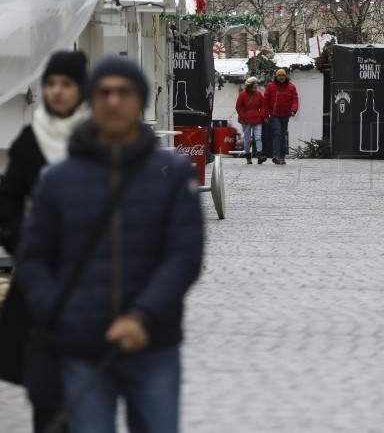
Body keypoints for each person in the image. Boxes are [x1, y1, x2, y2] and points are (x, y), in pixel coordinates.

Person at [15, 56, 205, 433]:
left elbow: (183, 255)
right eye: (104, 93)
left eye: (124, 92)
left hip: (153, 341)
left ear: (140, 100)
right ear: (91, 100)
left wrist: (141, 316)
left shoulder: (172, 174)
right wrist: (61, 314)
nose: (114, 101)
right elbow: (34, 259)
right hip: (80, 347)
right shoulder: (59, 179)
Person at [0, 50, 90, 433]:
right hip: (41, 276)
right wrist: (24, 244)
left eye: (65, 84)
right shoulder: (30, 140)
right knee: (44, 381)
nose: (56, 91)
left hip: (92, 276)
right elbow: (8, 199)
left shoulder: (100, 138)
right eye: (50, 83)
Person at [263, 69, 298, 165]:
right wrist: (265, 115)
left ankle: (282, 157)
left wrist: (293, 110)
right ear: (276, 76)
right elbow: (265, 101)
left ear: (285, 76)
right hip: (274, 115)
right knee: (277, 133)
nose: (281, 77)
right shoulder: (270, 86)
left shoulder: (291, 87)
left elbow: (295, 100)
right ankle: (276, 156)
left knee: (282, 135)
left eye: (283, 75)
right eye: (279, 75)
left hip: (286, 115)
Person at [235, 76, 266, 164]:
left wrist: (262, 115)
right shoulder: (242, 94)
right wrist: (243, 115)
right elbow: (238, 107)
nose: (256, 84)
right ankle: (248, 156)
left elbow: (263, 106)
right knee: (247, 138)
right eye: (255, 83)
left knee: (258, 137)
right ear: (250, 85)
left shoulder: (259, 94)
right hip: (246, 120)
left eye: (256, 83)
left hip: (257, 119)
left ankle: (259, 155)